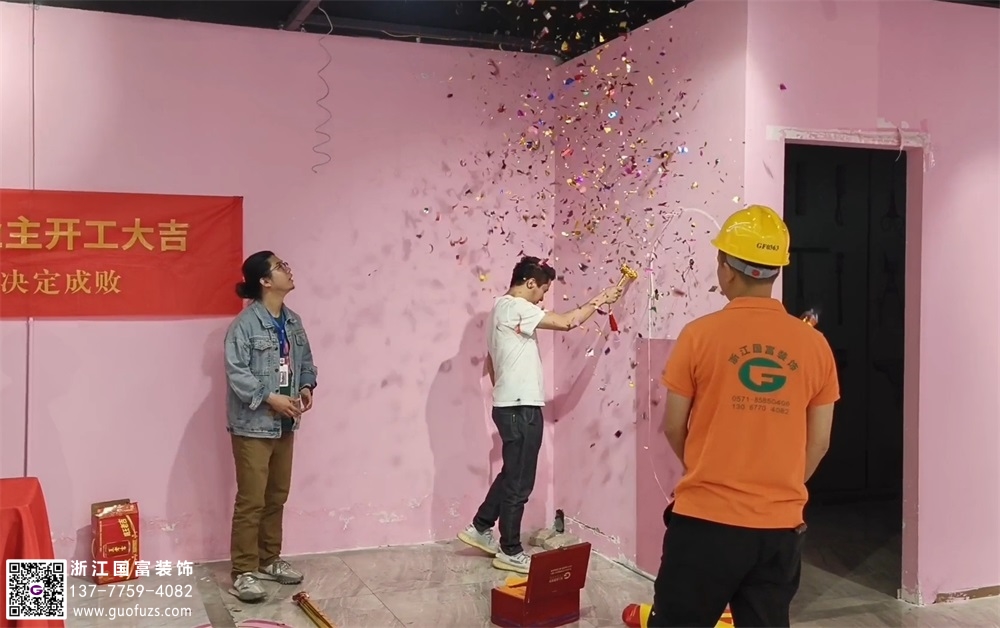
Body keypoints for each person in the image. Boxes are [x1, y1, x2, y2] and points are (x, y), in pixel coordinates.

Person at [644, 205, 840, 627]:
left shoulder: (699, 335)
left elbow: (673, 425)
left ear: (727, 269)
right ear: (774, 272)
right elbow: (820, 441)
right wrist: (780, 486)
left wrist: (706, 469)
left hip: (705, 522)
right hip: (780, 528)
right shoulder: (815, 345)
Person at [457, 255, 624, 574]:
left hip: (510, 404)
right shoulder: (516, 307)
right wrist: (602, 298)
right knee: (520, 481)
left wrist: (506, 392)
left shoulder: (498, 310)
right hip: (520, 406)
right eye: (543, 291)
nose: (542, 299)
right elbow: (567, 322)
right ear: (530, 283)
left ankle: (480, 527)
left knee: (513, 473)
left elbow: (491, 362)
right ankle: (510, 550)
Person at [223, 251, 318, 602]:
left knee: (276, 495)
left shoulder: (292, 321)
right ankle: (243, 572)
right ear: (264, 281)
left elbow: (305, 361)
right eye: (280, 267)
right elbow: (237, 373)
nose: (288, 270)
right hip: (253, 426)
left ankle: (269, 559)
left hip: (285, 423)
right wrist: (269, 397)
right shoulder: (244, 325)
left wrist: (305, 386)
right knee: (251, 500)